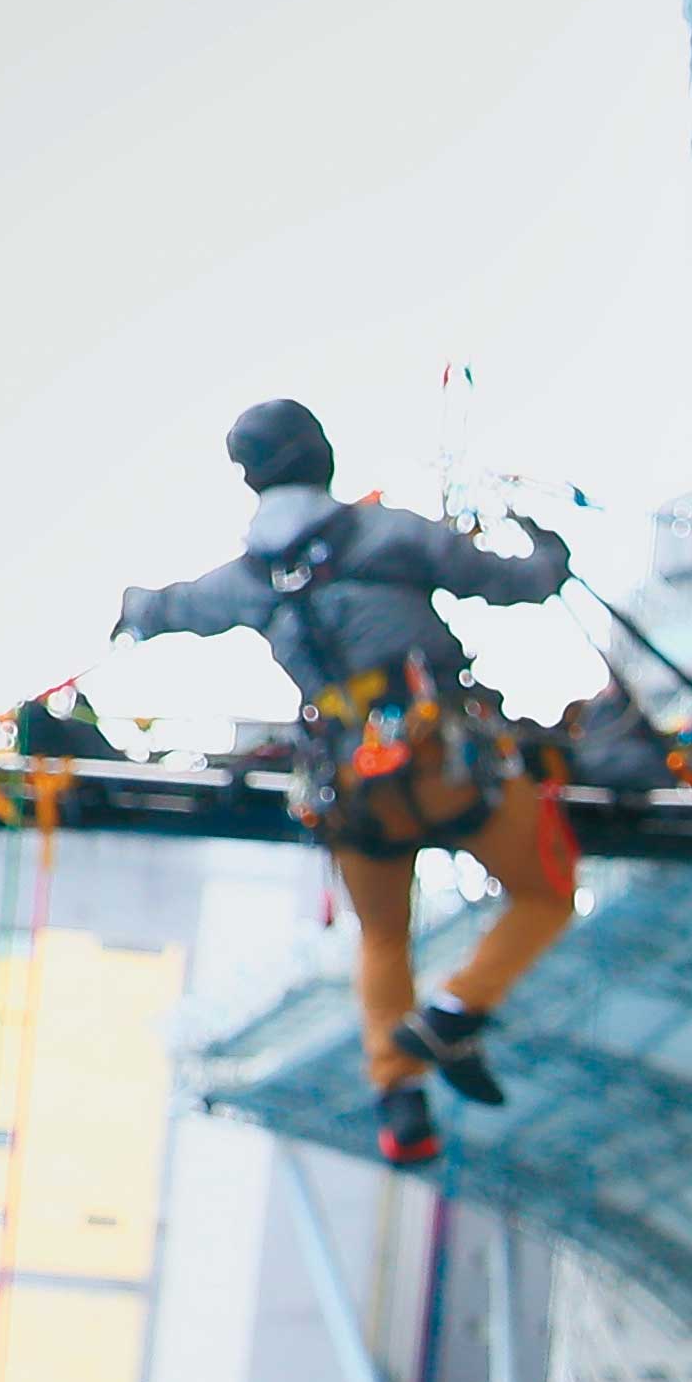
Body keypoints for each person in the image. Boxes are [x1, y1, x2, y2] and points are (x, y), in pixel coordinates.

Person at [109, 396, 584, 1172]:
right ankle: (454, 1011)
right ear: (321, 453)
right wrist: (548, 546)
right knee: (545, 890)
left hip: (349, 788)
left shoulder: (245, 578)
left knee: (385, 935)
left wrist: (131, 611)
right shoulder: (389, 533)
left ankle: (398, 1094)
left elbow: (166, 611)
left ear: (252, 478)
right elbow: (517, 583)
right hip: (448, 764)